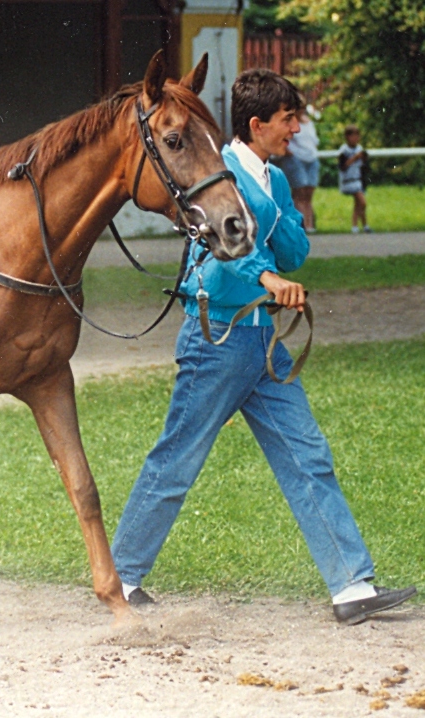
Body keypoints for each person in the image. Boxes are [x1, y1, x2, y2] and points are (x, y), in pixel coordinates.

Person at [109, 69, 416, 625]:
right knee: (177, 459)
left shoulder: (270, 178)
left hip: (263, 342)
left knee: (307, 456)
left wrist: (283, 221)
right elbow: (223, 241)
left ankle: (350, 587)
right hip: (218, 340)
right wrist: (268, 276)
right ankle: (120, 574)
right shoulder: (213, 174)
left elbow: (292, 253)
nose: (296, 129)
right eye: (287, 120)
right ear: (256, 123)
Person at [280, 100, 319, 232]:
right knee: (299, 192)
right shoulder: (288, 123)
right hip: (296, 159)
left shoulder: (309, 122)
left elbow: (314, 140)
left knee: (308, 193)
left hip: (311, 159)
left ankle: (309, 224)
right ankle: (300, 225)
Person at [339, 125, 370, 233]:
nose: (356, 138)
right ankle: (356, 225)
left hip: (358, 179)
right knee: (362, 202)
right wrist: (354, 158)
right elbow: (342, 166)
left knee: (358, 204)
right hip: (348, 180)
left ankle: (362, 225)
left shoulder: (359, 149)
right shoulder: (344, 150)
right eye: (353, 136)